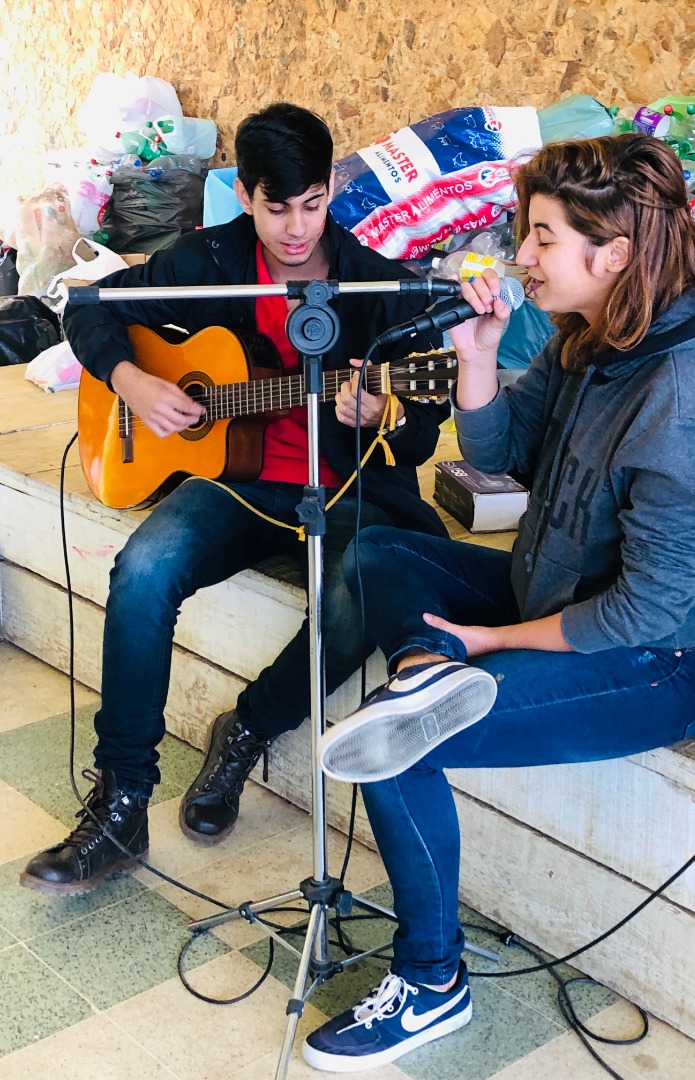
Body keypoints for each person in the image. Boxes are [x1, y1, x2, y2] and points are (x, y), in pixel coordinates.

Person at [303, 134, 695, 1072]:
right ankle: (427, 676)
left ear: (617, 253)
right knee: (378, 548)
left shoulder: (687, 400)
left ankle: (432, 984)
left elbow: (642, 615)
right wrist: (477, 356)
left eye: (542, 238)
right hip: (558, 590)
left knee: (393, 744)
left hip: (668, 662)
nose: (520, 255)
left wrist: (485, 640)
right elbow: (505, 451)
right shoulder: (592, 340)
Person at [21, 102, 450, 896]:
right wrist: (134, 380)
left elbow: (425, 427)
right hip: (239, 483)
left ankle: (249, 727)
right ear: (246, 196)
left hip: (348, 487)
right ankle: (120, 804)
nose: (296, 228)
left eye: (313, 203)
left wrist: (386, 410)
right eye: (276, 206)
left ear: (330, 192)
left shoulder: (371, 280)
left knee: (370, 585)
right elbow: (85, 307)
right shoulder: (205, 259)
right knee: (144, 569)